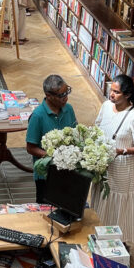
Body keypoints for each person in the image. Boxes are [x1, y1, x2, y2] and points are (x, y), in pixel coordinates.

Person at [90, 74, 134, 247]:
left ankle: (119, 243)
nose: (112, 95)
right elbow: (98, 128)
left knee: (118, 203)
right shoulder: (105, 106)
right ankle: (98, 234)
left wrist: (122, 151)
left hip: (122, 167)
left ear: (127, 95)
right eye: (111, 90)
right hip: (103, 163)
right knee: (102, 197)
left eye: (116, 92)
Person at [26, 74, 77, 203]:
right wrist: (53, 156)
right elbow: (30, 148)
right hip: (46, 176)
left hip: (67, 172)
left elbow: (75, 133)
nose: (66, 97)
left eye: (67, 92)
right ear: (48, 96)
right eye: (61, 95)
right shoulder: (38, 116)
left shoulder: (69, 109)